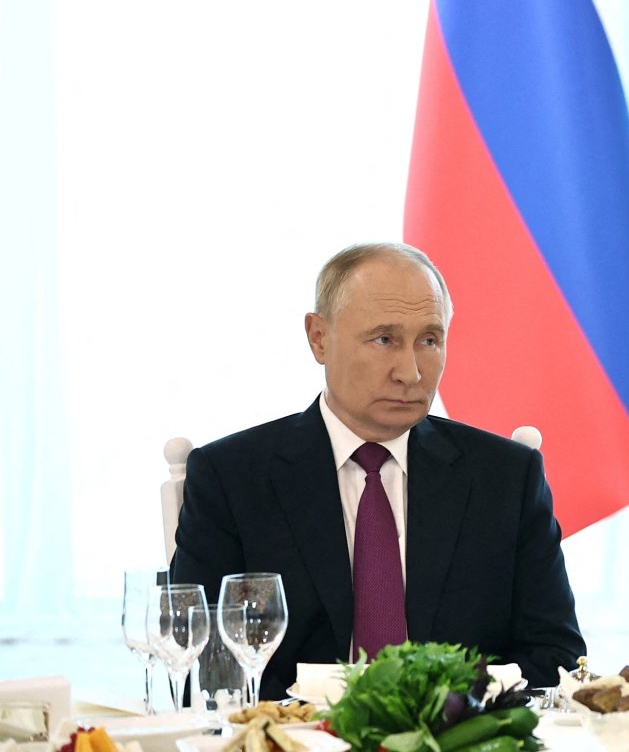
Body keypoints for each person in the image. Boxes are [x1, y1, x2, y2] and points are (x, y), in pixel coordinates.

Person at [171, 242, 585, 699]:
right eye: (384, 339)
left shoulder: (506, 477)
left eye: (429, 340)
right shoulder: (231, 478)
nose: (410, 372)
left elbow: (556, 659)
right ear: (319, 338)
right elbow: (201, 668)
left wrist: (435, 706)